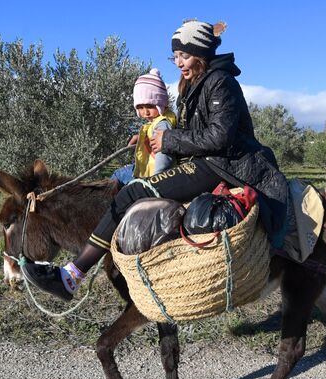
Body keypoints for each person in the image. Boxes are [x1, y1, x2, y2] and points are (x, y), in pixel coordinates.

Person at [22, 19, 288, 300]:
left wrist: (168, 140)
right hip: (210, 162)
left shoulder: (221, 83)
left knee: (135, 192)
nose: (179, 62)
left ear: (201, 53)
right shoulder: (197, 84)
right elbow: (197, 133)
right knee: (126, 188)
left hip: (226, 167)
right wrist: (153, 140)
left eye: (184, 55)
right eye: (175, 57)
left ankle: (72, 276)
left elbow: (219, 137)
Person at [110, 69, 177, 184]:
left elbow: (163, 154)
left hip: (152, 176)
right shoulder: (157, 121)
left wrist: (156, 179)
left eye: (150, 106)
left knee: (118, 175)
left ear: (161, 104)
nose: (145, 112)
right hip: (148, 171)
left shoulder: (162, 124)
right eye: (140, 107)